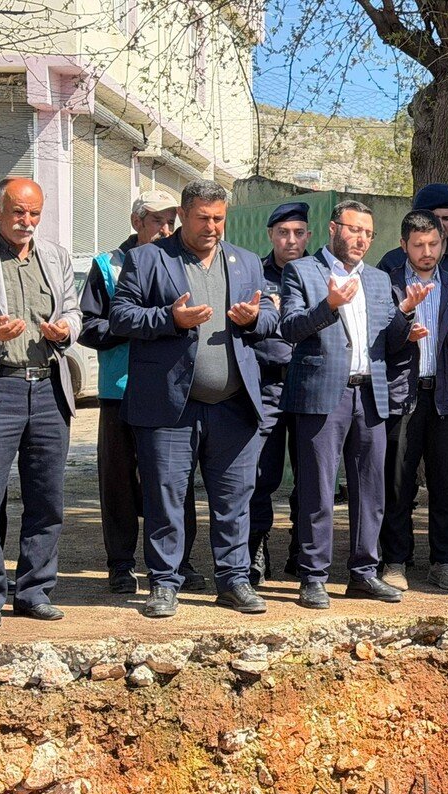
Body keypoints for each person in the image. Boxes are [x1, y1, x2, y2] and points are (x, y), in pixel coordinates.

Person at [111, 179, 277, 619]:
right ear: (183, 215)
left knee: (234, 500)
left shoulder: (244, 262)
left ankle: (234, 580)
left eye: (219, 218)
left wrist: (257, 316)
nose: (212, 227)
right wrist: (170, 317)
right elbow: (121, 317)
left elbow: (272, 316)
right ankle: (165, 583)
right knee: (165, 499)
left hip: (233, 406)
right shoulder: (147, 259)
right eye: (203, 217)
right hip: (170, 407)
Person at [280, 200, 430, 610]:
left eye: (368, 232)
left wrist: (405, 317)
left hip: (370, 394)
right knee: (318, 489)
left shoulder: (380, 280)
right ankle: (313, 575)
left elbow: (387, 341)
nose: (361, 238)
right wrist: (328, 306)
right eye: (353, 229)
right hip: (322, 395)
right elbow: (290, 327)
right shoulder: (302, 272)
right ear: (333, 229)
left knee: (371, 490)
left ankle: (364, 572)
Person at [79, 191, 204, 595]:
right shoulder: (108, 265)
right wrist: (141, 325)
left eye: (172, 221)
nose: (167, 229)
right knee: (118, 482)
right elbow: (88, 326)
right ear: (137, 223)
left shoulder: (183, 262)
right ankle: (120, 564)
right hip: (121, 389)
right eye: (159, 221)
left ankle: (177, 564)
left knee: (172, 480)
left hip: (170, 390)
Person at [0, 177, 81, 628]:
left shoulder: (56, 257)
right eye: (18, 212)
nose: (27, 221)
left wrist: (66, 331)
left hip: (47, 388)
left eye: (34, 213)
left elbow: (74, 311)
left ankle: (34, 591)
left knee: (47, 498)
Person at [378, 183, 448, 573]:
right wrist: (401, 325)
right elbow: (376, 339)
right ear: (404, 244)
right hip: (401, 396)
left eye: (434, 244)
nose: (427, 252)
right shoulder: (385, 279)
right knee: (398, 484)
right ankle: (395, 561)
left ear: (443, 242)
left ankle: (445, 560)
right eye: (419, 245)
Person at [248, 201, 309, 585]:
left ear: (308, 236)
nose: (291, 240)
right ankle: (256, 549)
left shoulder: (318, 273)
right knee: (261, 474)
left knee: (311, 474)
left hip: (307, 385)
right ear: (270, 235)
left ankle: (302, 549)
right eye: (283, 233)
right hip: (266, 384)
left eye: (298, 233)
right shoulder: (253, 272)